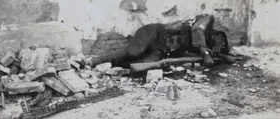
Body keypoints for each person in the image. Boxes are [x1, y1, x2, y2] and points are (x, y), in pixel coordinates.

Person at [87, 14, 231, 68]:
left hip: (162, 50)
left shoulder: (202, 44)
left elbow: (192, 52)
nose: (219, 44)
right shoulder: (207, 20)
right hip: (155, 32)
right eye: (221, 41)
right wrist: (206, 53)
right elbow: (197, 30)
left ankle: (110, 66)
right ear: (218, 33)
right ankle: (96, 60)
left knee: (142, 65)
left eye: (222, 46)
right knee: (135, 51)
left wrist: (216, 54)